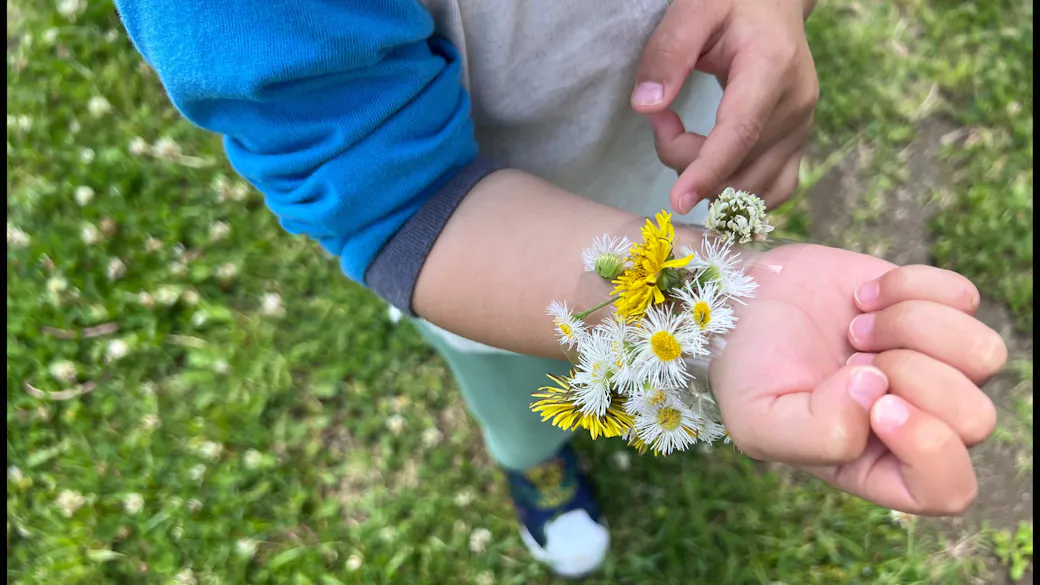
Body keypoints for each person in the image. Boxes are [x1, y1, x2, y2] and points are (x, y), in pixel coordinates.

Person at [114, 0, 1005, 577]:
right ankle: (532, 457)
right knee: (512, 383)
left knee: (645, 366)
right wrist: (718, 302)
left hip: (671, 152)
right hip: (488, 250)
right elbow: (396, 200)